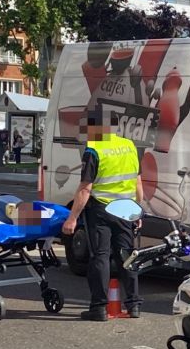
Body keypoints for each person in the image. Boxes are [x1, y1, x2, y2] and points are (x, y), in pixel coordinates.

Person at [62, 110, 144, 321]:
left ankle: (99, 308)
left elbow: (85, 188)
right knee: (127, 255)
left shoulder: (94, 149)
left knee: (100, 256)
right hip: (126, 209)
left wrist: (72, 218)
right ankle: (134, 304)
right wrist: (138, 211)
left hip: (102, 209)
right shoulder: (130, 146)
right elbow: (138, 184)